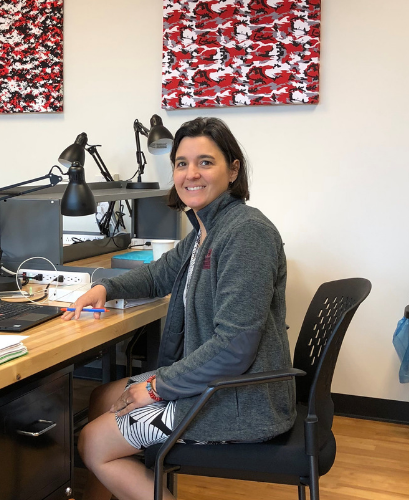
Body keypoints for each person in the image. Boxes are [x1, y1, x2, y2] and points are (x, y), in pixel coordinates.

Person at [62, 117, 295, 500]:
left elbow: (235, 346)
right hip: (219, 382)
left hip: (239, 398)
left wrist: (156, 388)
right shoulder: (208, 228)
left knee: (92, 443)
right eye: (182, 163)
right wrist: (104, 287)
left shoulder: (246, 233)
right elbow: (158, 276)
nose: (191, 174)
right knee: (99, 399)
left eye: (205, 162)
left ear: (233, 169)